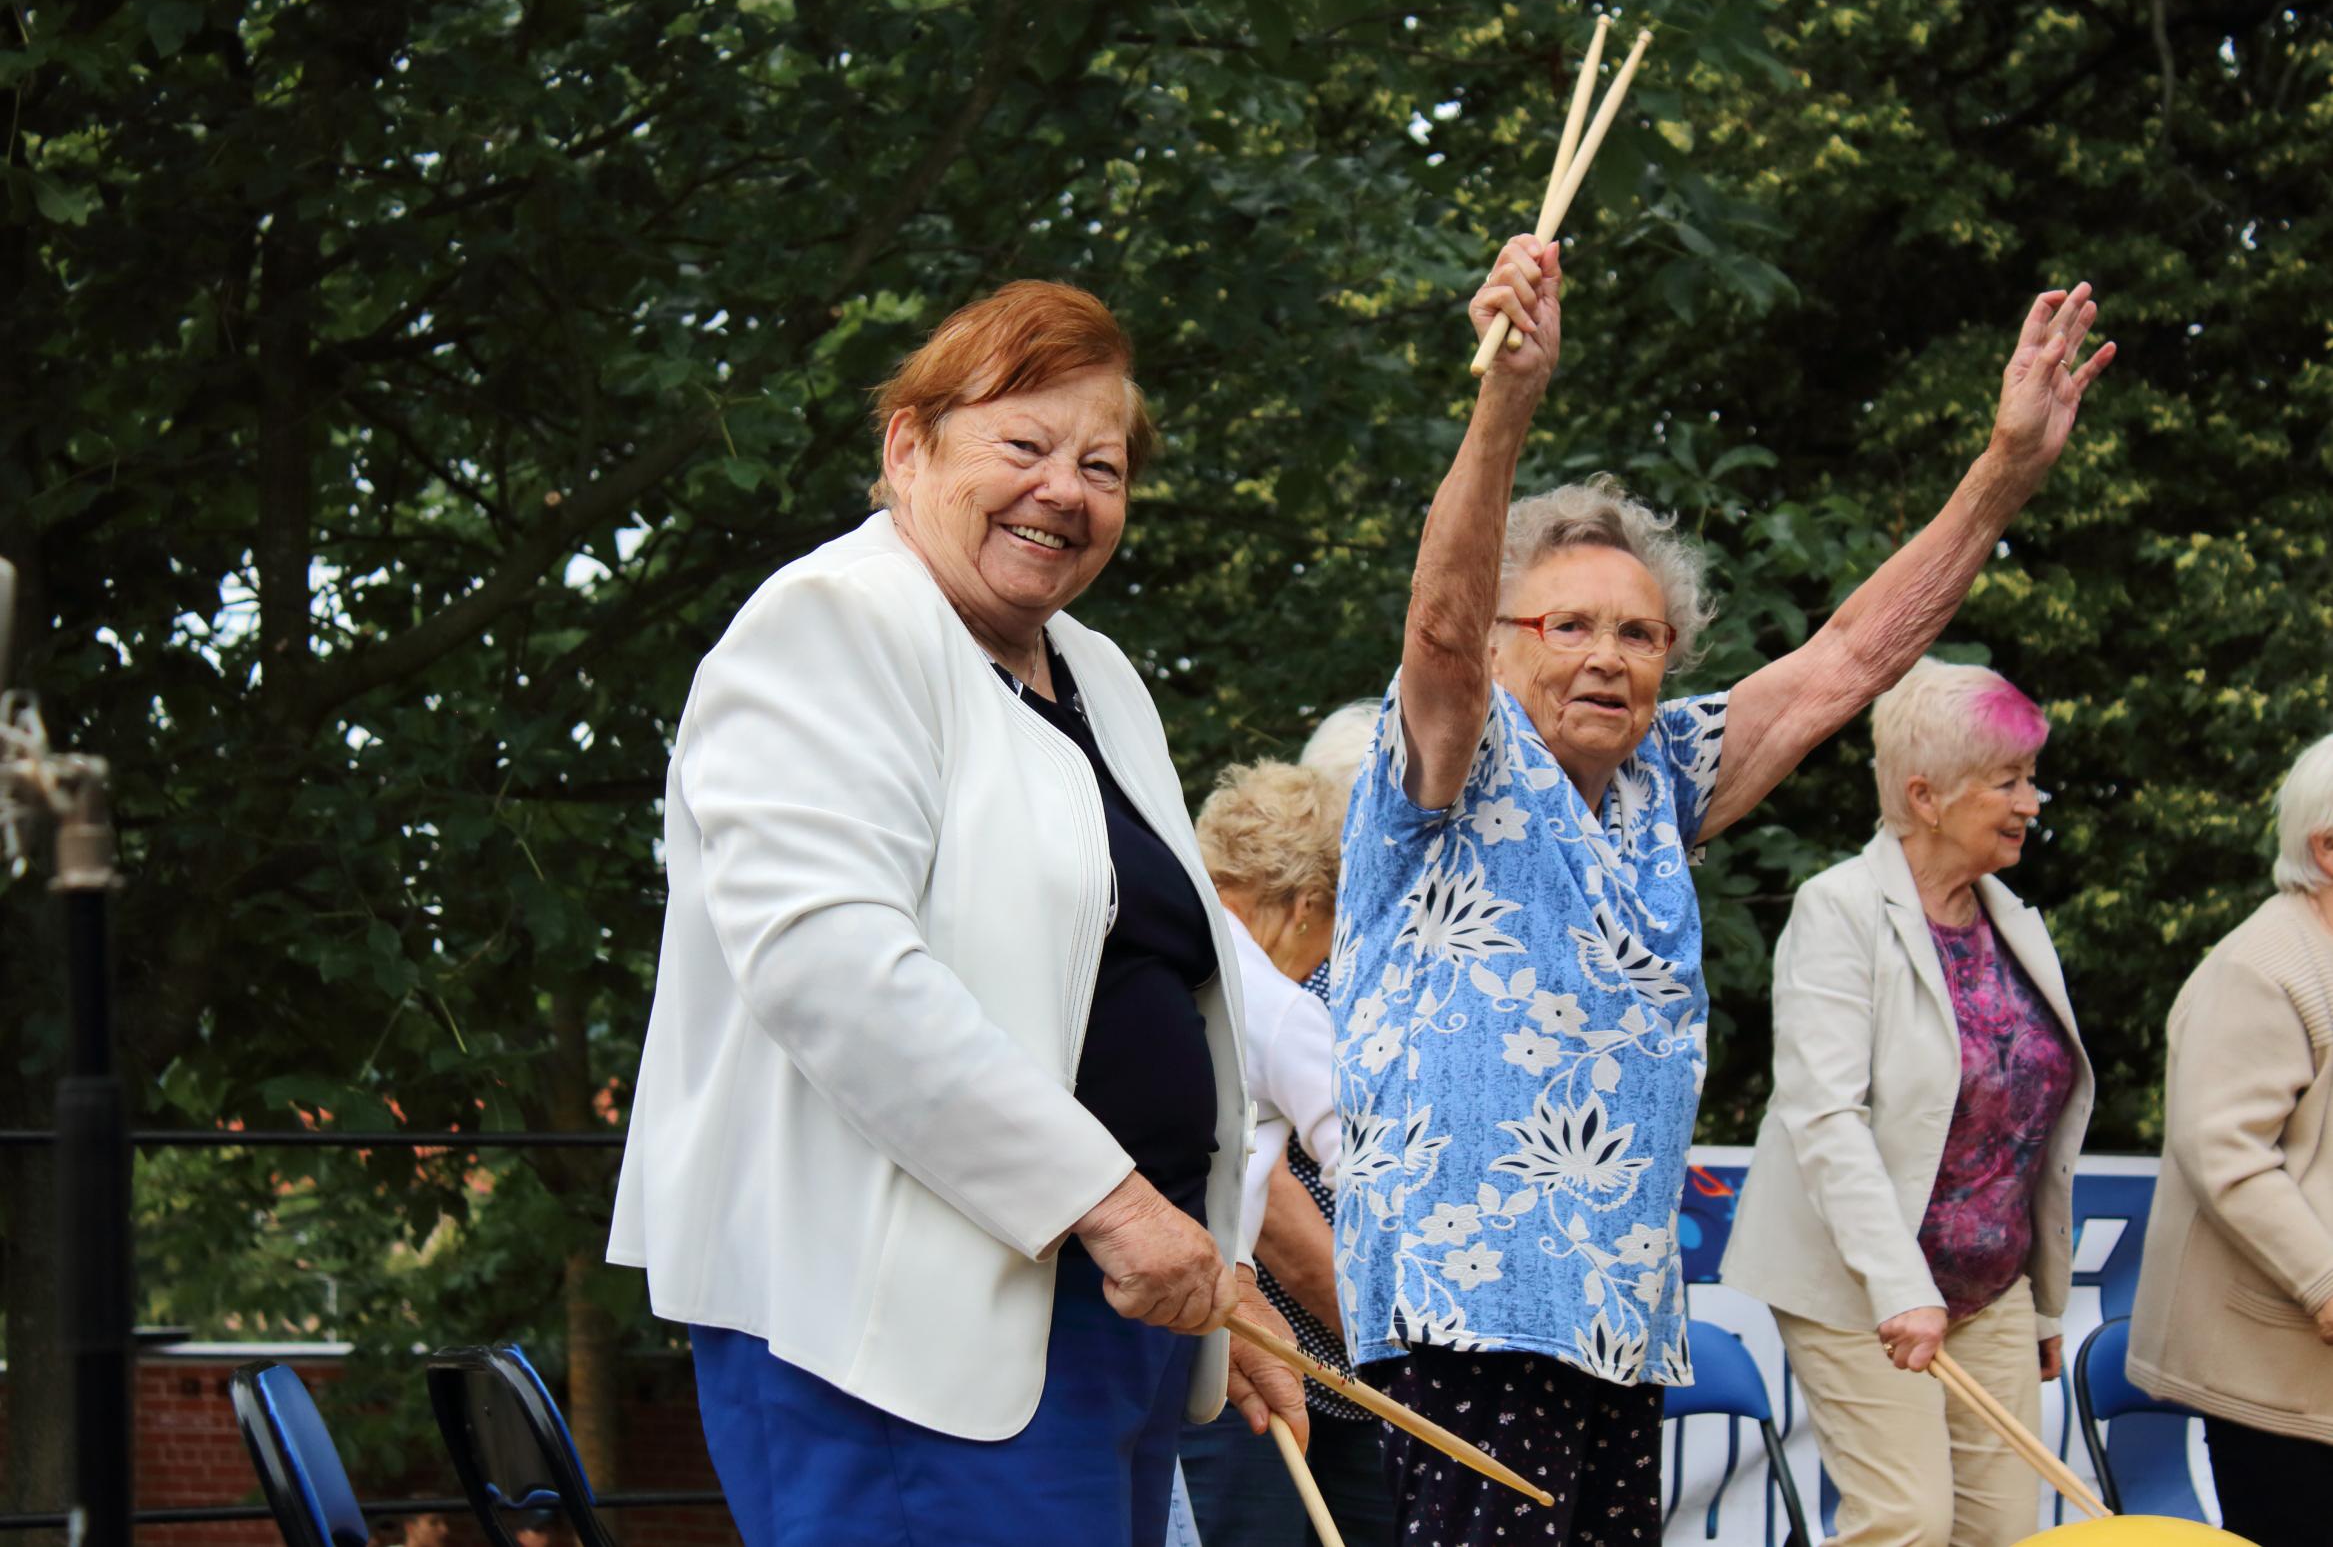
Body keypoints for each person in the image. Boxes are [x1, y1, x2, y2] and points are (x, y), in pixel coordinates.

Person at [1330, 231, 2112, 1546]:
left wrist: (2001, 478)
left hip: (1618, 1327)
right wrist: (1506, 400)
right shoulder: (1450, 759)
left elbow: (1853, 653)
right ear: (1511, 642)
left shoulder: (1665, 776)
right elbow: (1443, 626)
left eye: (1639, 634)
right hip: (1467, 1315)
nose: (1607, 657)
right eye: (1566, 626)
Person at [607, 280, 1303, 1547]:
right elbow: (835, 968)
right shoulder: (829, 624)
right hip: (895, 1332)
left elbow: (1148, 985)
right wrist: (1114, 1203)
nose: (1065, 489)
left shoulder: (1098, 670)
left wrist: (1215, 1269)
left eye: (1100, 464)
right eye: (1022, 445)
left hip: (1108, 1312)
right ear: (907, 446)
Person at [1720, 658, 2095, 1547]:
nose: (2030, 802)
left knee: (2003, 1534)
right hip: (1860, 1288)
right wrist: (1900, 1291)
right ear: (1925, 797)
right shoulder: (1837, 911)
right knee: (1907, 1525)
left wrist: (2041, 1307)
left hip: (1989, 1291)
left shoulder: (2013, 920)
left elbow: (2023, 1138)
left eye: (2029, 778)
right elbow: (1822, 1115)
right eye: (2007, 781)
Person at [2128, 731, 2333, 1547]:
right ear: (2327, 846)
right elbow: (2226, 1154)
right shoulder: (2262, 965)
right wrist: (2324, 1284)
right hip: (2276, 1375)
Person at [1179, 760, 1389, 1547]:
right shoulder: (1279, 1006)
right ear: (1308, 906)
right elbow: (1369, 1171)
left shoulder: (1152, 946)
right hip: (1223, 1340)